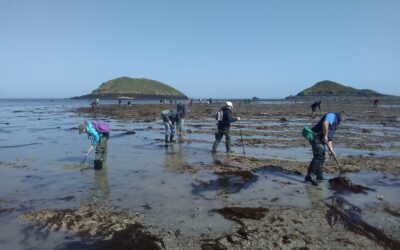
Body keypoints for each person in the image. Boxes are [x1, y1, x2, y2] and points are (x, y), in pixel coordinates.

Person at [305, 111, 346, 186]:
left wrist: (331, 150)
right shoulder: (332, 115)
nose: (342, 122)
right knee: (319, 156)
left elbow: (329, 138)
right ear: (342, 117)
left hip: (320, 138)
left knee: (321, 157)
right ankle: (311, 175)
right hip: (315, 136)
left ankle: (319, 177)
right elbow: (325, 123)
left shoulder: (335, 124)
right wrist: (325, 135)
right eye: (343, 120)